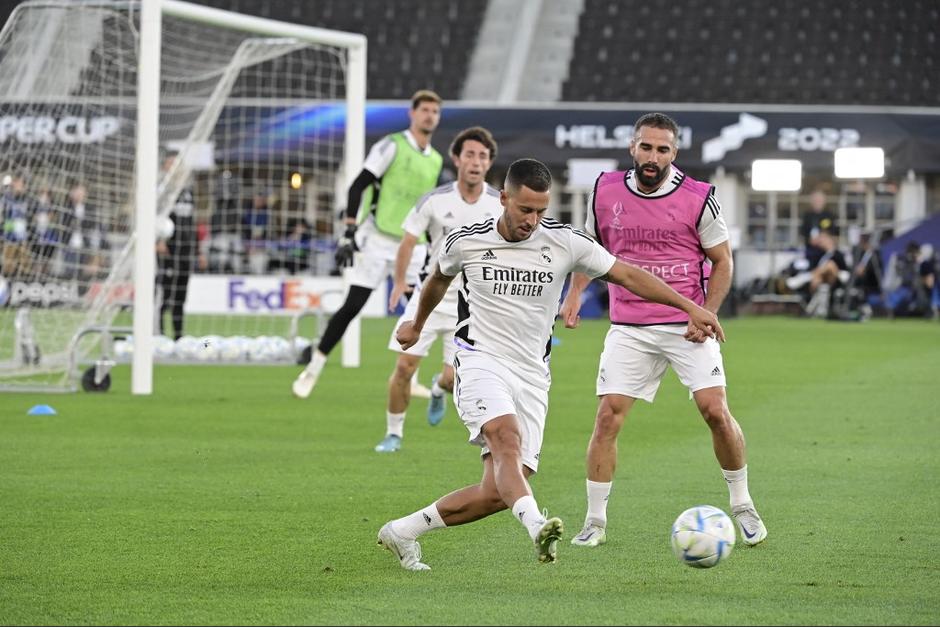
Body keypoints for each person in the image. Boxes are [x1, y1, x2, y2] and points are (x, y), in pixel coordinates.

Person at [377, 158, 724, 571]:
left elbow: (628, 275)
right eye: (525, 209)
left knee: (497, 491)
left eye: (541, 210)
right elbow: (437, 279)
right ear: (503, 198)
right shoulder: (465, 241)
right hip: (478, 360)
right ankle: (538, 526)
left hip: (532, 375)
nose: (533, 220)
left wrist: (690, 307)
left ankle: (402, 531)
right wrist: (416, 325)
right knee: (505, 438)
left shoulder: (564, 241)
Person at [559, 112, 768, 550]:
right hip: (629, 326)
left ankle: (743, 503)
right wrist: (575, 293)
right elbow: (589, 251)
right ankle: (594, 521)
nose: (653, 156)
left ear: (675, 153)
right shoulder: (604, 189)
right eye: (647, 147)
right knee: (607, 416)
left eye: (663, 149)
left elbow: (723, 262)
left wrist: (704, 312)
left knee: (715, 411)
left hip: (685, 326)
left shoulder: (699, 197)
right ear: (633, 147)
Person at [292, 89, 444, 399]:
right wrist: (348, 231)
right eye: (425, 109)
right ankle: (312, 370)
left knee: (421, 313)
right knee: (352, 306)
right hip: (377, 240)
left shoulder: (436, 160)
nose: (430, 115)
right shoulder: (392, 145)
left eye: (435, 111)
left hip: (412, 246)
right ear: (412, 114)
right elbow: (358, 184)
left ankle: (410, 378)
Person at [375, 127, 502, 453]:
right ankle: (393, 434)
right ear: (457, 159)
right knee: (403, 367)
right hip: (430, 296)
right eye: (470, 154)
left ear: (489, 164)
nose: (476, 162)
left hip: (471, 304)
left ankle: (436, 389)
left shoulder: (498, 204)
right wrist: (400, 281)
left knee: (451, 380)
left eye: (482, 156)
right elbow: (408, 241)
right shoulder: (434, 200)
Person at [156, 149, 202, 340]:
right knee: (166, 294)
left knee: (181, 296)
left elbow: (192, 223)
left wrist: (198, 250)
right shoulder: (161, 192)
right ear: (165, 167)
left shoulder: (188, 192)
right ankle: (158, 335)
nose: (176, 169)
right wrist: (158, 240)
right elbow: (155, 218)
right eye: (171, 165)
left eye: (178, 165)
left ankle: (178, 336)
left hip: (186, 250)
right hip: (168, 250)